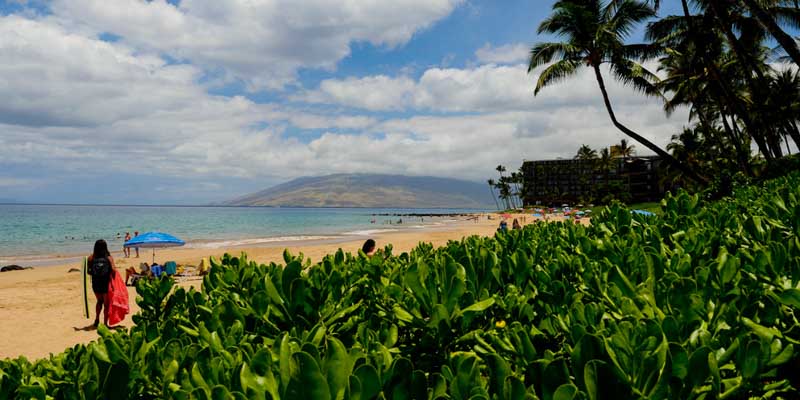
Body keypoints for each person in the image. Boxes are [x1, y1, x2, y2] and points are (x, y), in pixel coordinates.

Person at [87, 239, 117, 328]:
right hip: (105, 282)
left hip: (95, 283)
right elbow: (114, 270)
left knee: (99, 301)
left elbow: (88, 272)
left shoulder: (91, 258)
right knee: (106, 304)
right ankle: (105, 324)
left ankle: (96, 320)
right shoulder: (108, 258)